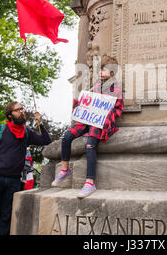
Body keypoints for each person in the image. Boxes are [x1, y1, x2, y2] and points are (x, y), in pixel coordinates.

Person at [51, 55, 124, 198]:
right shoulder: (96, 84)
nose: (101, 72)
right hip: (87, 118)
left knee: (90, 146)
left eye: (104, 70)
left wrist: (108, 115)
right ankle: (65, 169)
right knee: (66, 137)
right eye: (101, 69)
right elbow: (89, 99)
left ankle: (90, 183)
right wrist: (83, 97)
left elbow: (118, 109)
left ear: (112, 73)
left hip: (100, 121)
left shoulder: (116, 88)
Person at [0, 102, 51, 235]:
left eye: (22, 109)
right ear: (10, 115)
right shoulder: (0, 130)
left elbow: (46, 141)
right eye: (18, 110)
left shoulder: (26, 132)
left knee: (7, 217)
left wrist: (39, 123)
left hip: (14, 180)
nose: (22, 111)